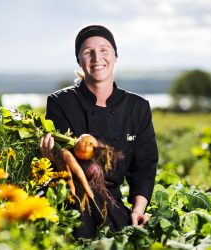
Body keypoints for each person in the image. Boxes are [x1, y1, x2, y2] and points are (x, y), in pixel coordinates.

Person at [40, 24, 158, 239]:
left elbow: (145, 167)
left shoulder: (137, 107)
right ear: (79, 60)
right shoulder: (60, 102)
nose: (97, 58)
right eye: (88, 52)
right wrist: (52, 157)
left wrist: (138, 211)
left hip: (111, 202)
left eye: (104, 50)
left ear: (115, 55)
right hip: (71, 199)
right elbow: (64, 163)